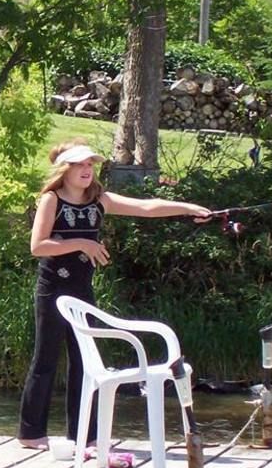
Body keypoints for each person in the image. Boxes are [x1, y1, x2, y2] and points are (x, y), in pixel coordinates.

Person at [17, 139, 210, 449]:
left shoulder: (99, 200)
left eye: (90, 164)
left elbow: (146, 207)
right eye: (80, 165)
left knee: (86, 363)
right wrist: (84, 243)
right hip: (53, 290)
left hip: (82, 292)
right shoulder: (51, 200)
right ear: (65, 169)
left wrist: (187, 209)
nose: (86, 170)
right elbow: (37, 246)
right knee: (45, 360)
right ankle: (30, 434)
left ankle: (86, 437)